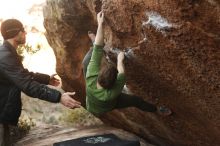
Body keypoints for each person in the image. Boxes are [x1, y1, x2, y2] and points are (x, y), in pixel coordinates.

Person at [0, 19, 81, 145]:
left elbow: (22, 74)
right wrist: (59, 97)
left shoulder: (7, 53)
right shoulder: (4, 56)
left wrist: (46, 79)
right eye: (23, 30)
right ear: (15, 33)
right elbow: (27, 85)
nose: (25, 33)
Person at [83, 11, 172, 116]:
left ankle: (92, 43)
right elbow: (121, 71)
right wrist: (120, 60)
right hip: (108, 106)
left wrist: (100, 24)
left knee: (87, 61)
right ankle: (156, 110)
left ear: (98, 76)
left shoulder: (90, 78)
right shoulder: (113, 92)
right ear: (114, 84)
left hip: (91, 102)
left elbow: (98, 47)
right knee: (135, 100)